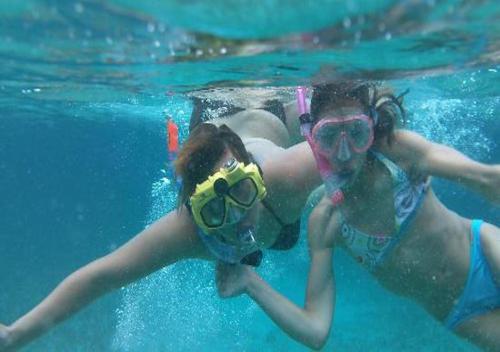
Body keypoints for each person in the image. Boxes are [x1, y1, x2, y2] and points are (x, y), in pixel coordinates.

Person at [0, 89, 320, 351]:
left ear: (258, 180)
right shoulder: (188, 231)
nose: (236, 217)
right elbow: (103, 276)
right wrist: (14, 335)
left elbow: (355, 151)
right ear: (196, 211)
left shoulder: (286, 176)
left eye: (243, 191)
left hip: (265, 114)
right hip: (211, 128)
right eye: (214, 210)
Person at [216, 81, 500, 351]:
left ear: (372, 129)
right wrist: (251, 283)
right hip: (461, 312)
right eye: (328, 136)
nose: (344, 153)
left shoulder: (398, 153)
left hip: (485, 248)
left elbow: (486, 179)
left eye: (357, 132)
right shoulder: (327, 221)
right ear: (312, 138)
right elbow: (315, 331)